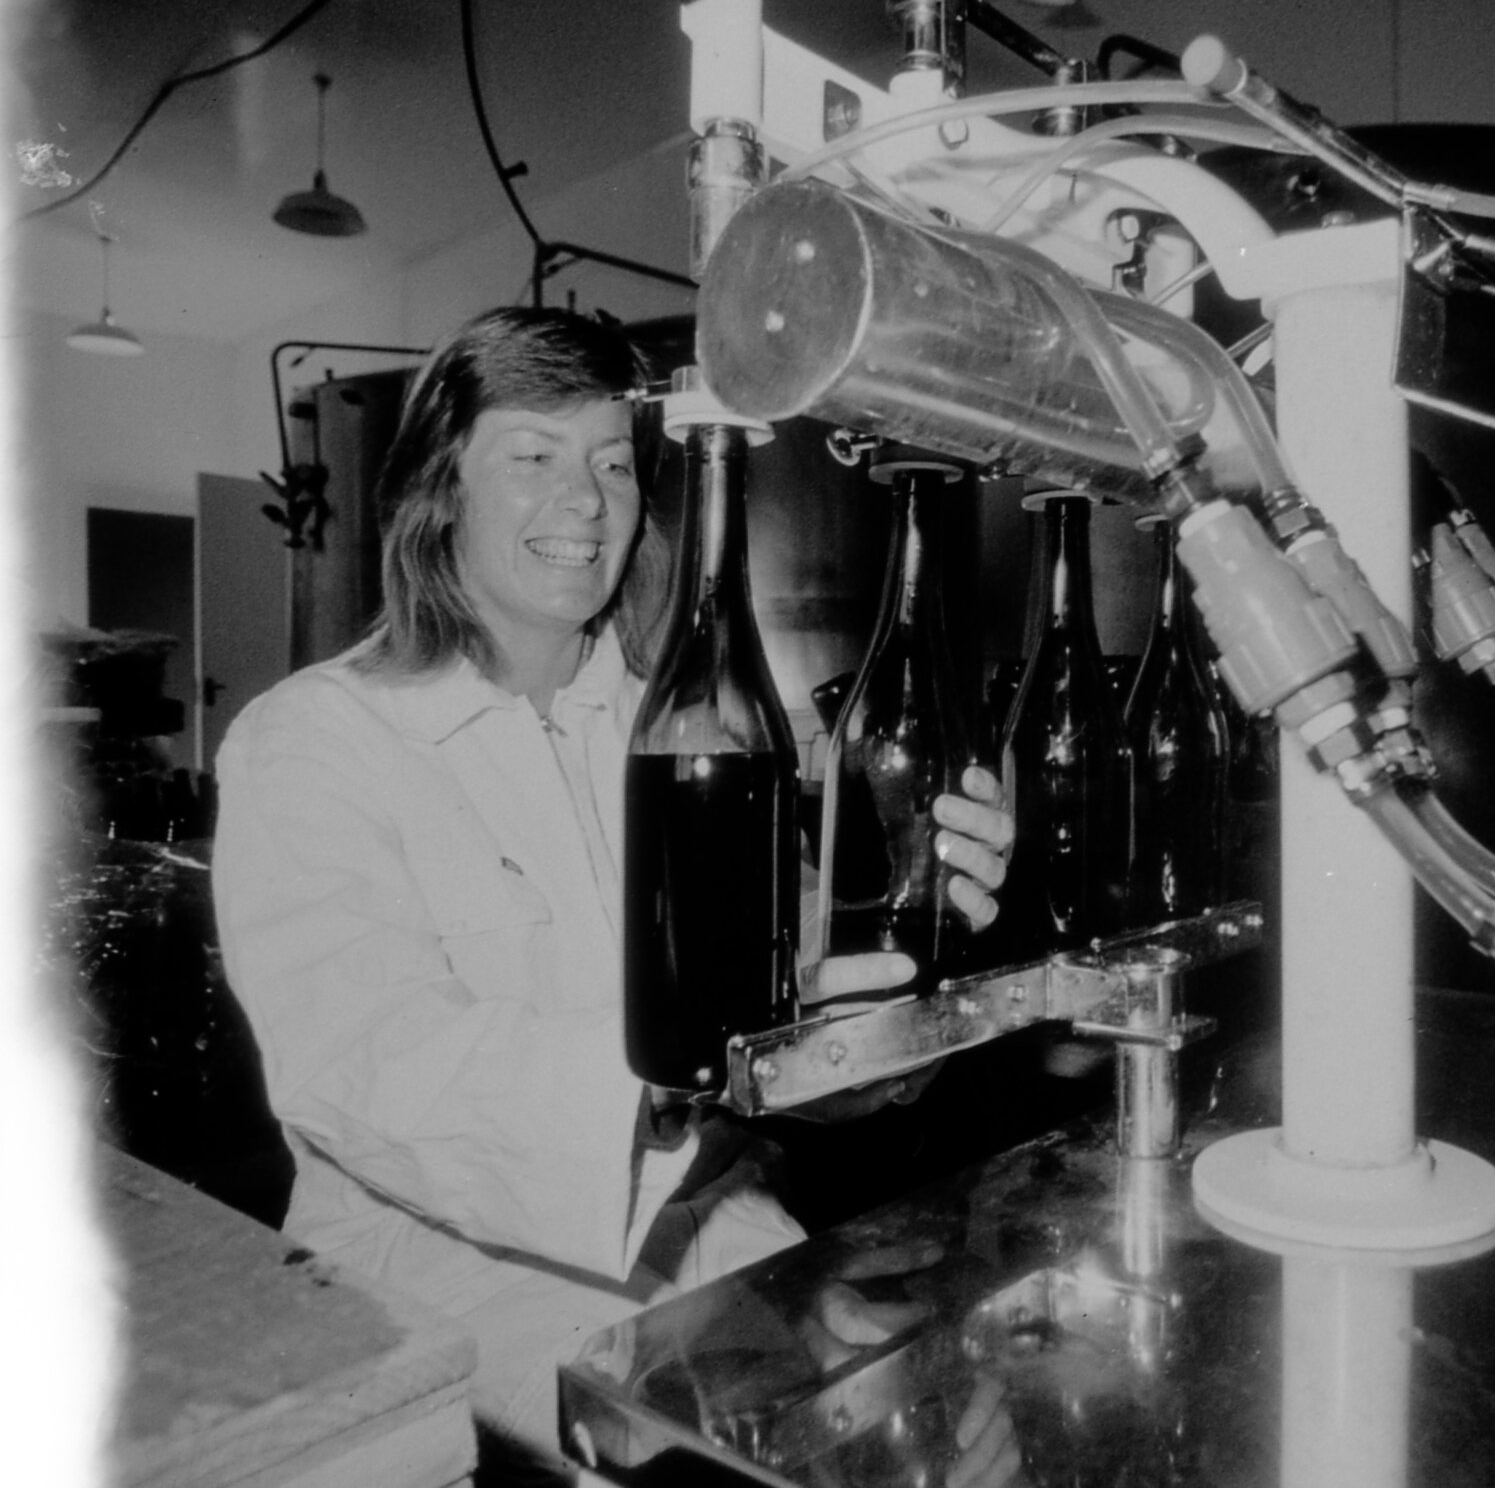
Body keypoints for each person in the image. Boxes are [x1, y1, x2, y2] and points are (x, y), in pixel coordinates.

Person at [210, 307, 1013, 1478]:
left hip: (726, 1262)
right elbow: (362, 1069)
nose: (584, 502)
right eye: (532, 456)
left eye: (611, 464)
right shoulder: (314, 740)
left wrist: (917, 947)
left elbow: (804, 1059)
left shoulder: (694, 729)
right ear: (439, 492)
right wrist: (692, 1054)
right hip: (440, 1302)